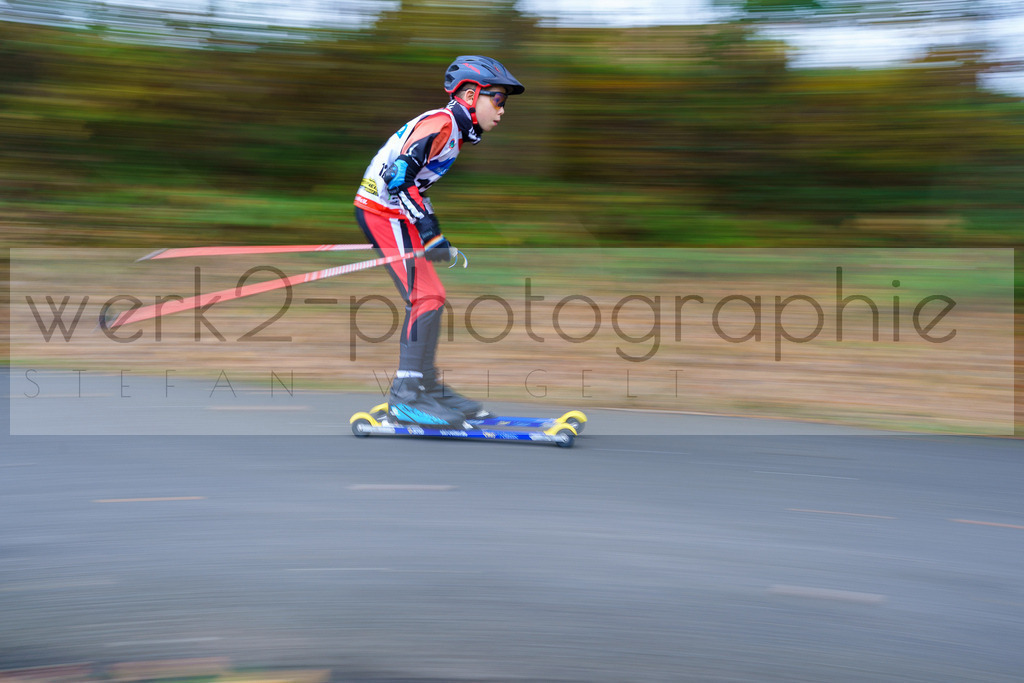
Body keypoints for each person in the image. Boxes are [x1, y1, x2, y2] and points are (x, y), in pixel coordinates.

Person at [354, 55, 524, 426]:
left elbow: (413, 185)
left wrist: (433, 233)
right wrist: (430, 233)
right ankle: (407, 396)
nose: (502, 109)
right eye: (497, 98)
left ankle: (425, 387)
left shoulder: (452, 132)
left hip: (395, 212)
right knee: (426, 297)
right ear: (468, 94)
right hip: (382, 210)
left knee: (432, 296)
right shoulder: (442, 123)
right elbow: (398, 178)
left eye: (504, 101)